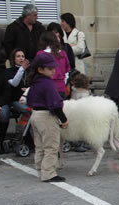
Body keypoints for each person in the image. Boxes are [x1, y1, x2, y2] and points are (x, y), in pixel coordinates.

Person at [26, 53, 69, 182]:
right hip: (47, 116)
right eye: (50, 69)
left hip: (35, 115)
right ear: (40, 69)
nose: (53, 71)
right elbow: (55, 104)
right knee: (51, 147)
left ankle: (40, 170)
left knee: (39, 146)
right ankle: (49, 173)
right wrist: (63, 119)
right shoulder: (48, 83)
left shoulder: (35, 82)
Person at [36, 31, 71, 98]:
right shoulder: (63, 53)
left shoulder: (41, 54)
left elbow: (37, 72)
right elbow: (67, 72)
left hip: (45, 87)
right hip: (61, 87)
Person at [6, 48, 31, 113]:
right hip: (16, 100)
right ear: (13, 59)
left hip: (30, 98)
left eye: (23, 56)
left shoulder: (29, 71)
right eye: (18, 56)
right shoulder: (9, 71)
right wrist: (22, 68)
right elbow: (14, 83)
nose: (21, 58)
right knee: (28, 110)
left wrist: (28, 89)